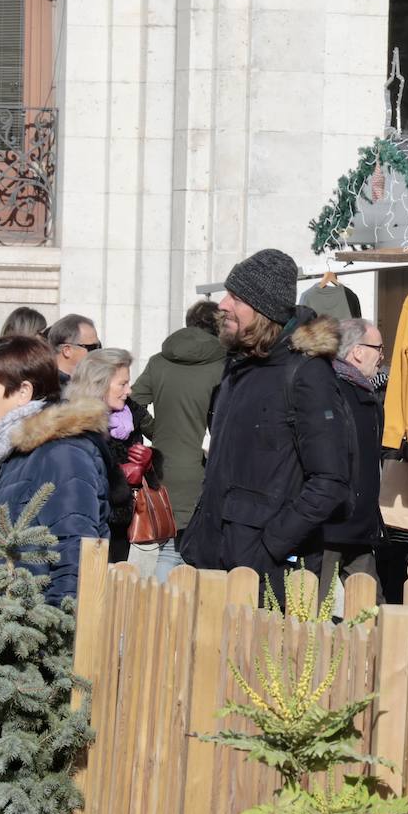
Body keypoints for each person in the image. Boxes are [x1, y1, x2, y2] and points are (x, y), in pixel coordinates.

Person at [179, 249, 349, 600]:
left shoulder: (305, 373)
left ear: (263, 310)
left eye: (236, 298)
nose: (223, 305)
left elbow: (330, 482)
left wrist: (269, 546)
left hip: (264, 576)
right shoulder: (238, 367)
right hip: (213, 560)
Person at [0, 335, 111, 605]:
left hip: (38, 627)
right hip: (6, 622)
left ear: (23, 392)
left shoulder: (62, 454)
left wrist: (53, 628)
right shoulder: (8, 451)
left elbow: (76, 553)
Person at [130, 300, 225, 581]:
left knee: (168, 549)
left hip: (163, 465)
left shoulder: (159, 362)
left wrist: (155, 431)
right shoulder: (223, 365)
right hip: (203, 465)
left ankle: (161, 613)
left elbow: (132, 402)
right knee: (197, 551)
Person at [312, 317, 386, 598]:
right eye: (378, 348)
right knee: (312, 610)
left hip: (358, 523)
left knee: (373, 609)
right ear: (357, 351)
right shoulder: (332, 392)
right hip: (332, 522)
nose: (381, 357)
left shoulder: (365, 394)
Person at [67, 349, 151, 569]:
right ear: (99, 384)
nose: (129, 390)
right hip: (87, 529)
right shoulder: (74, 423)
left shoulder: (129, 415)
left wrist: (148, 462)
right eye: (122, 384)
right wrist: (118, 476)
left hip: (120, 526)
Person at [45, 313, 100, 384]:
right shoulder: (47, 386)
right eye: (92, 348)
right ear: (67, 351)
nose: (97, 353)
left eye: (99, 347)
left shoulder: (89, 381)